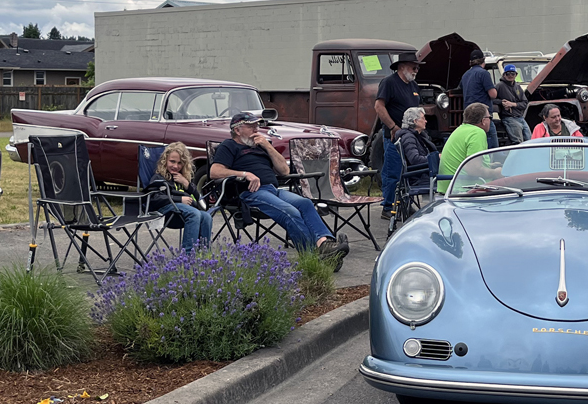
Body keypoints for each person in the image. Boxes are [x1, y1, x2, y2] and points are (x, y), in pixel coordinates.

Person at [210, 112, 349, 265]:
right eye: (251, 126)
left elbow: (284, 171)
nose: (256, 129)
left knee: (305, 203)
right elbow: (214, 172)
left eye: (257, 126)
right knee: (290, 212)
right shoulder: (228, 146)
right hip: (250, 192)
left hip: (273, 190)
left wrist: (268, 146)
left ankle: (324, 244)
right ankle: (313, 257)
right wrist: (244, 174)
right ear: (237, 130)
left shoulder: (261, 146)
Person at [375, 51, 422, 221]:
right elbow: (379, 106)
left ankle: (405, 204)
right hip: (394, 136)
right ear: (402, 67)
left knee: (408, 172)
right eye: (413, 67)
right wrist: (392, 127)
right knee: (393, 171)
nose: (416, 70)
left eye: (417, 68)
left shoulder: (414, 86)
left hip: (410, 136)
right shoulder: (389, 83)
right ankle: (388, 207)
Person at [144, 142, 213, 251]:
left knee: (206, 217)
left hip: (182, 214)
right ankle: (188, 256)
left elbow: (200, 201)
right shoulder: (159, 178)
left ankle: (204, 254)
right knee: (194, 213)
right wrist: (179, 199)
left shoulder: (183, 178)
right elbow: (153, 198)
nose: (175, 166)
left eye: (180, 163)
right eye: (172, 161)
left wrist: (187, 184)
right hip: (165, 213)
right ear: (165, 160)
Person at [440, 103, 492, 183]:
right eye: (489, 117)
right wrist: (496, 173)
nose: (490, 120)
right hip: (461, 187)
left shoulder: (461, 129)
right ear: (483, 121)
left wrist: (491, 166)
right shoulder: (477, 133)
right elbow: (473, 170)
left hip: (451, 183)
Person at [460, 47, 500, 149]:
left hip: (469, 115)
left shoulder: (465, 75)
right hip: (483, 116)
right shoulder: (484, 73)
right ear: (483, 60)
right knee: (493, 145)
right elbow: (493, 94)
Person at [394, 106, 438, 178]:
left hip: (424, 174)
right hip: (420, 177)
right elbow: (415, 160)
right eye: (423, 118)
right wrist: (435, 158)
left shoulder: (418, 136)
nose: (426, 121)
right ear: (415, 121)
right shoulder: (409, 138)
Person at [495, 65, 530, 144]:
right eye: (508, 73)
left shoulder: (518, 86)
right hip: (509, 118)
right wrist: (501, 102)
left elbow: (525, 103)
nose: (510, 75)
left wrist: (512, 104)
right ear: (504, 75)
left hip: (520, 117)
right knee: (518, 142)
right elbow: (491, 99)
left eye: (513, 73)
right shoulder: (499, 86)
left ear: (516, 75)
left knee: (529, 140)